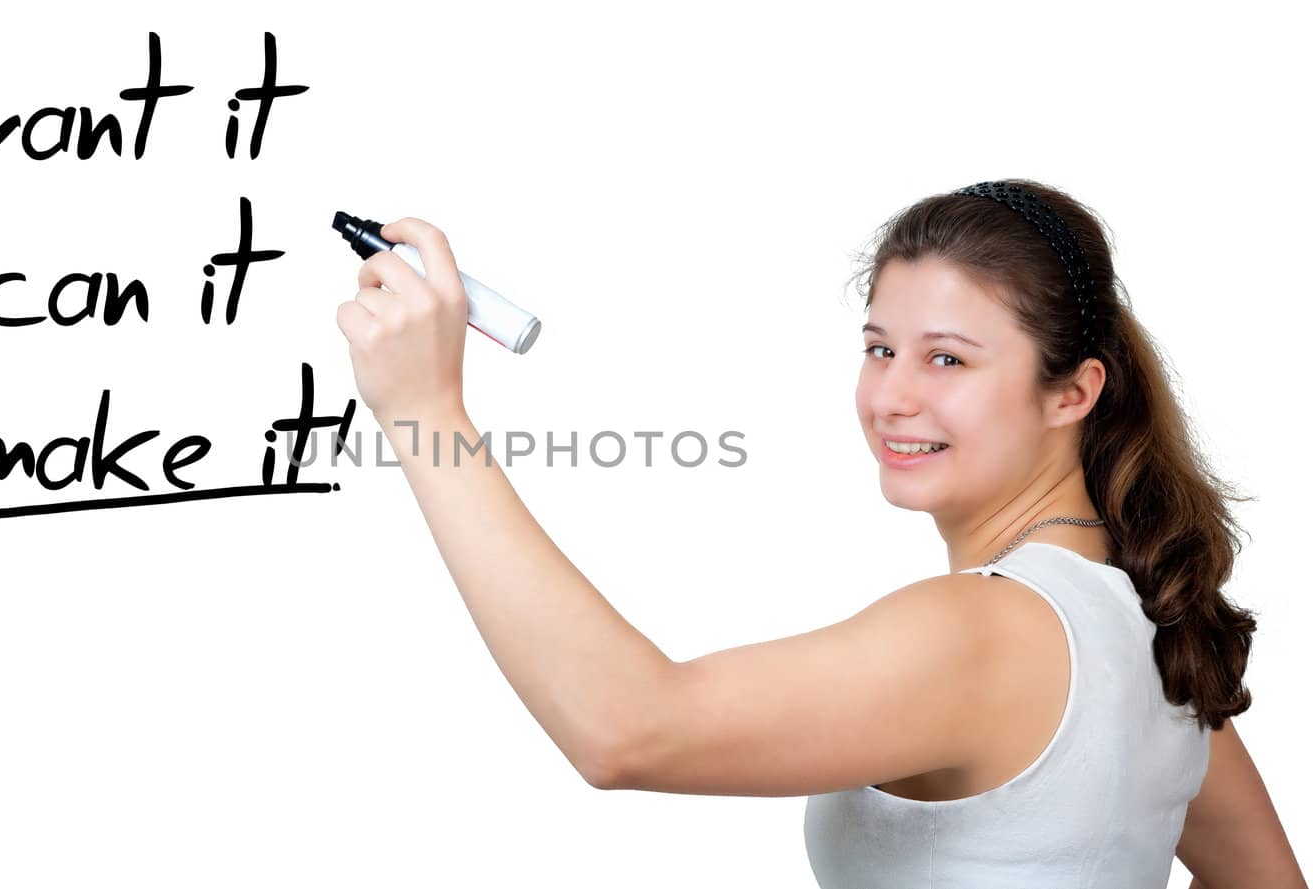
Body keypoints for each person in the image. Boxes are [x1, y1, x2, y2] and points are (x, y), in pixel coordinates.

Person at [332, 180, 1306, 888]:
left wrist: (427, 414)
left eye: (948, 358)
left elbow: (625, 728)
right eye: (880, 347)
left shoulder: (986, 632)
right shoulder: (1159, 644)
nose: (893, 394)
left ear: (1073, 391)